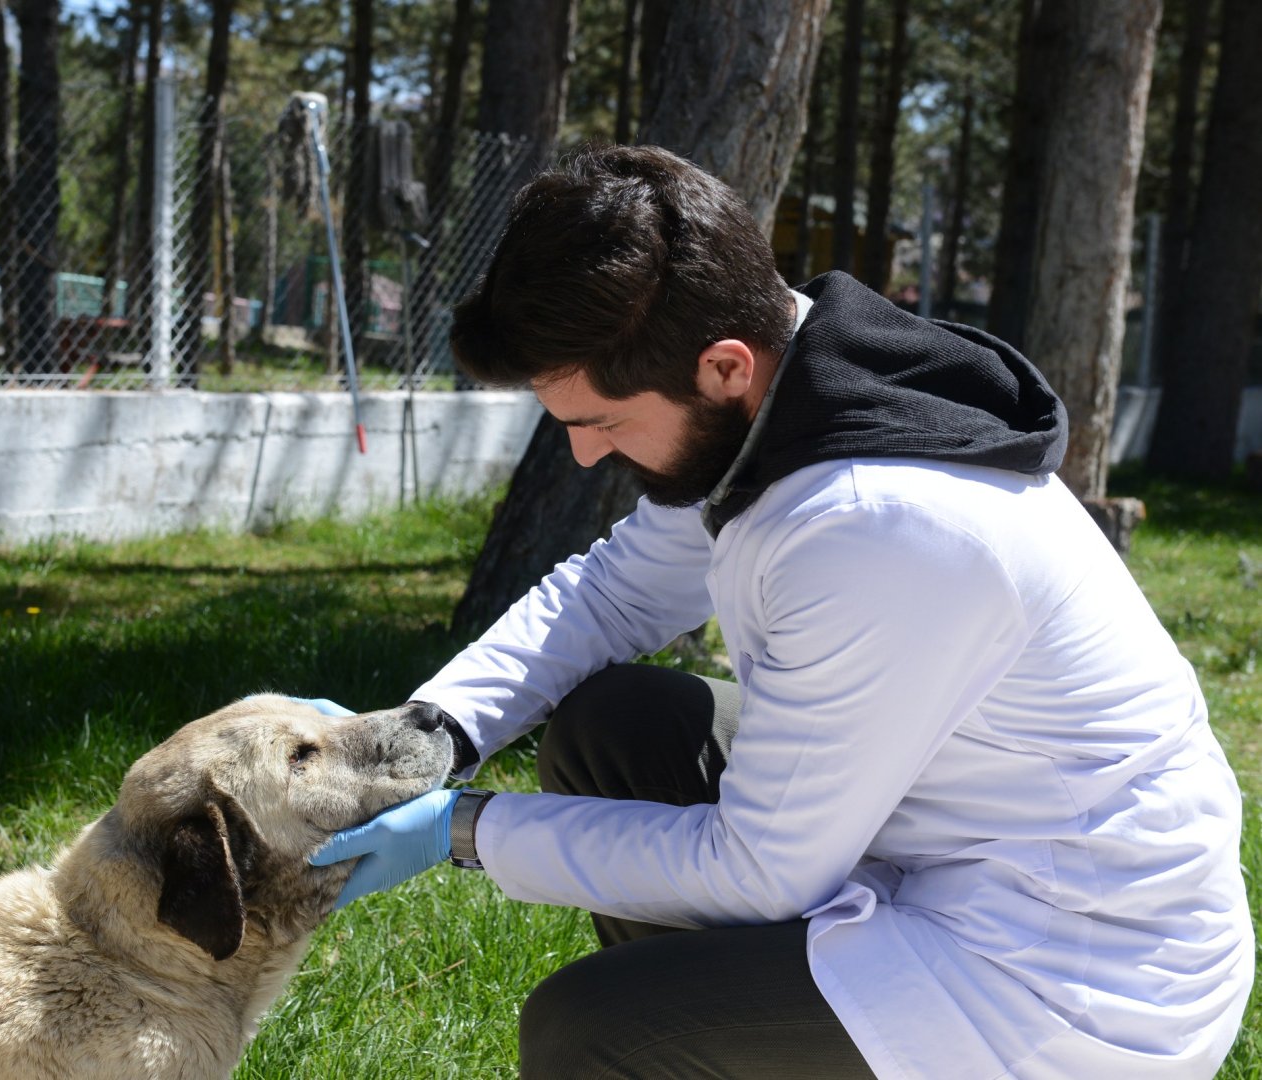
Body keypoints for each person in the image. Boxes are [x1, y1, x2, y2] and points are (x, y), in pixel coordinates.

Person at [305, 145, 1254, 1079]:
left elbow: (757, 871)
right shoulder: (777, 390)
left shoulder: (879, 523)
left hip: (1070, 974)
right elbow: (617, 591)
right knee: (620, 728)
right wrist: (428, 734)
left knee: (591, 1030)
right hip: (944, 846)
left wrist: (461, 831)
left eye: (602, 422)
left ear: (723, 367)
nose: (587, 457)